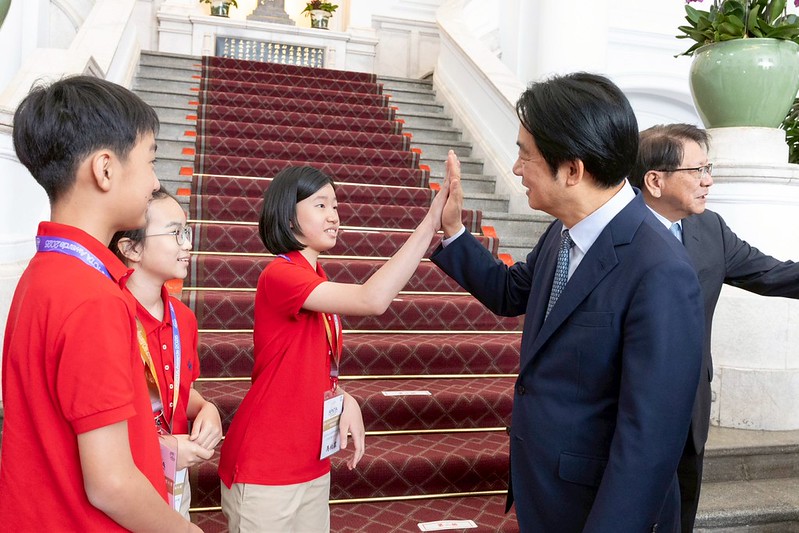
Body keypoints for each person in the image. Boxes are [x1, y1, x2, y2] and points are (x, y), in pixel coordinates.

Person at [430, 73, 705, 532]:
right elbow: (510, 291)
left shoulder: (660, 269)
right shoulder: (564, 231)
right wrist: (456, 231)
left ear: (573, 170)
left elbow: (649, 440)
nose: (517, 168)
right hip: (549, 494)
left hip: (599, 509)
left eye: (525, 154)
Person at [0, 76, 198, 531]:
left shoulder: (45, 272)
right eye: (150, 161)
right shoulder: (92, 297)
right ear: (105, 169)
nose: (155, 181)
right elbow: (112, 484)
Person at [218, 165, 450, 532]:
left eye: (336, 206)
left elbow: (304, 366)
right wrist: (430, 224)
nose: (334, 216)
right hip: (267, 464)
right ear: (288, 217)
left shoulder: (315, 278)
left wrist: (342, 397)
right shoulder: (280, 275)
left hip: (310, 461)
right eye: (321, 205)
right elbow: (372, 299)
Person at [628, 123, 799, 532]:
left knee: (682, 516)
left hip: (690, 409)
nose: (709, 181)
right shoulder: (614, 230)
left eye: (709, 168)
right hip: (626, 412)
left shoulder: (710, 228)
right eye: (698, 171)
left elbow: (773, 274)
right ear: (655, 180)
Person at [110, 187, 224, 519]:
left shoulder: (183, 319)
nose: (187, 244)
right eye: (175, 234)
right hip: (122, 475)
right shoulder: (109, 316)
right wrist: (159, 445)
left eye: (186, 233)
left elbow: (178, 392)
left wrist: (206, 408)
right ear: (132, 248)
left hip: (174, 474)